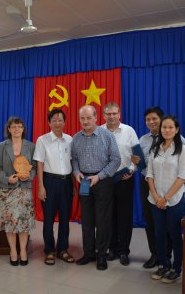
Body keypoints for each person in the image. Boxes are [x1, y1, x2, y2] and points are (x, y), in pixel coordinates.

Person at [71, 105, 121, 270]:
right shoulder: (76, 138)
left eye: (88, 118)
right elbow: (74, 160)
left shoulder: (107, 136)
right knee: (86, 220)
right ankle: (88, 253)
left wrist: (99, 176)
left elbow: (115, 160)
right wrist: (77, 172)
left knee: (102, 220)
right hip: (84, 180)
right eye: (82, 118)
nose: (85, 121)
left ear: (96, 118)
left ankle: (101, 255)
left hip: (102, 180)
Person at [147, 115, 185, 283]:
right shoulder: (155, 148)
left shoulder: (182, 148)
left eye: (170, 127)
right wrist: (156, 196)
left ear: (176, 129)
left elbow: (182, 177)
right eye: (164, 127)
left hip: (175, 200)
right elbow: (149, 174)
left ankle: (177, 268)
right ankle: (164, 264)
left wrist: (166, 198)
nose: (167, 130)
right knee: (159, 233)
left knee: (175, 234)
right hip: (155, 199)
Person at [33, 109, 74, 266]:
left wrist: (73, 185)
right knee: (48, 219)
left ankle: (63, 249)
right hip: (49, 182)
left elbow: (71, 162)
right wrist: (41, 187)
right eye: (54, 120)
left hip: (66, 183)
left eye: (60, 120)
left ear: (65, 122)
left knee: (65, 218)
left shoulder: (70, 140)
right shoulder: (42, 140)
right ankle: (49, 250)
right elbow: (40, 164)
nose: (57, 122)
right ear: (49, 123)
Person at [0, 117, 36, 266]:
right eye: (14, 127)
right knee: (10, 222)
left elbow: (35, 167)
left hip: (25, 189)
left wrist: (28, 176)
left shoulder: (30, 146)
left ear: (23, 129)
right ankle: (13, 251)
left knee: (24, 222)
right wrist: (6, 179)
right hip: (7, 190)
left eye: (20, 126)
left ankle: (23, 250)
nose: (17, 129)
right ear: (9, 129)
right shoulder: (2, 146)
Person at [102, 102, 140, 266]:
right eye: (108, 114)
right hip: (105, 180)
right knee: (108, 216)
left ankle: (124, 251)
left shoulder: (129, 131)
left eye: (114, 113)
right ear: (104, 115)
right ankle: (111, 248)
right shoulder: (99, 131)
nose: (111, 116)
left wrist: (131, 170)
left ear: (119, 114)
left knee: (124, 217)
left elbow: (137, 155)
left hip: (124, 179)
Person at [139, 107, 167, 268]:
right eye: (148, 119)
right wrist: (134, 164)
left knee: (166, 222)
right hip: (146, 183)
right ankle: (155, 254)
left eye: (154, 118)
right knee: (149, 220)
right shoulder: (143, 140)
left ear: (161, 119)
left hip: (166, 184)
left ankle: (167, 256)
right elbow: (141, 164)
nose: (151, 122)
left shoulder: (176, 139)